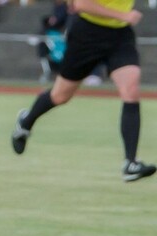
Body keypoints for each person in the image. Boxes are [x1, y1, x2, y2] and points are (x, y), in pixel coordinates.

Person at [11, 0, 155, 182]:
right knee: (60, 95)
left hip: (120, 34)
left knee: (131, 90)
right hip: (87, 33)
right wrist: (124, 15)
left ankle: (130, 163)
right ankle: (26, 122)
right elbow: (82, 4)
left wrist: (122, 19)